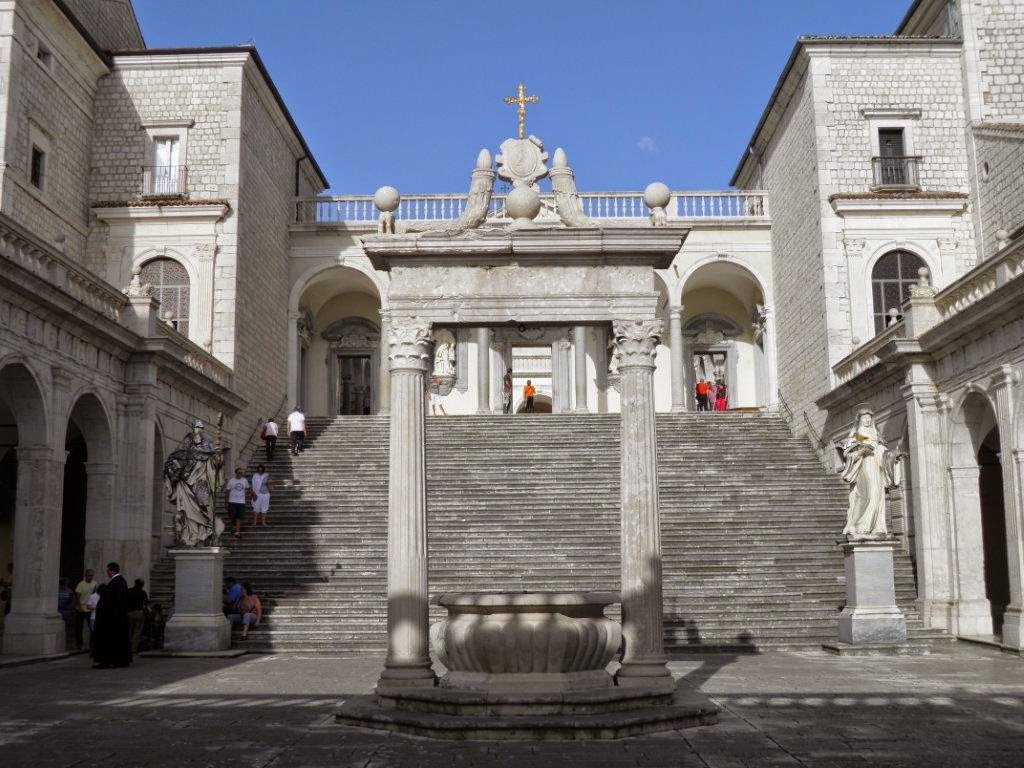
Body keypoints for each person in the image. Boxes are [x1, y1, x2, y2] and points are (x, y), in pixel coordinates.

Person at [840, 409, 901, 537]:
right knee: (868, 493)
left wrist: (892, 456)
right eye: (864, 417)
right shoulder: (856, 434)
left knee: (878, 495)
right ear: (859, 419)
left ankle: (877, 526)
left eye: (869, 417)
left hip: (876, 465)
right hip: (864, 466)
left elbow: (883, 450)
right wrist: (862, 452)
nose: (867, 420)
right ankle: (861, 524)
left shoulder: (875, 433)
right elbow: (847, 453)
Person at [92, 562, 131, 668]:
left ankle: (109, 660)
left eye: (108, 570)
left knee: (110, 640)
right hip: (118, 618)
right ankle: (119, 660)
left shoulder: (115, 583)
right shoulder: (121, 582)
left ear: (111, 570)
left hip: (112, 619)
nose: (107, 573)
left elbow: (110, 602)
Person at [74, 569, 97, 650]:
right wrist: (79, 607)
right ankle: (79, 644)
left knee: (92, 627)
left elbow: (95, 595)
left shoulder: (95, 584)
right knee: (79, 627)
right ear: (85, 575)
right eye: (89, 575)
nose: (90, 577)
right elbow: (77, 596)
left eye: (91, 575)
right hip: (81, 608)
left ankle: (92, 644)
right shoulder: (81, 584)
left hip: (89, 609)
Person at [224, 467, 250, 539]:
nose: (240, 474)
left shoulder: (244, 480)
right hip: (232, 501)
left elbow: (248, 488)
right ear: (236, 473)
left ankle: (237, 532)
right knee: (232, 516)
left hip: (241, 502)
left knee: (239, 517)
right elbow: (227, 491)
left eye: (241, 473)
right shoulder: (231, 481)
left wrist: (251, 494)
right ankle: (234, 527)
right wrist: (226, 502)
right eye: (239, 473)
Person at [126, 578, 148, 654]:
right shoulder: (143, 593)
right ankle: (133, 649)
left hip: (129, 613)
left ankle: (126, 647)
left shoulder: (129, 591)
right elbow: (146, 603)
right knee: (137, 632)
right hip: (139, 612)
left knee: (128, 631)